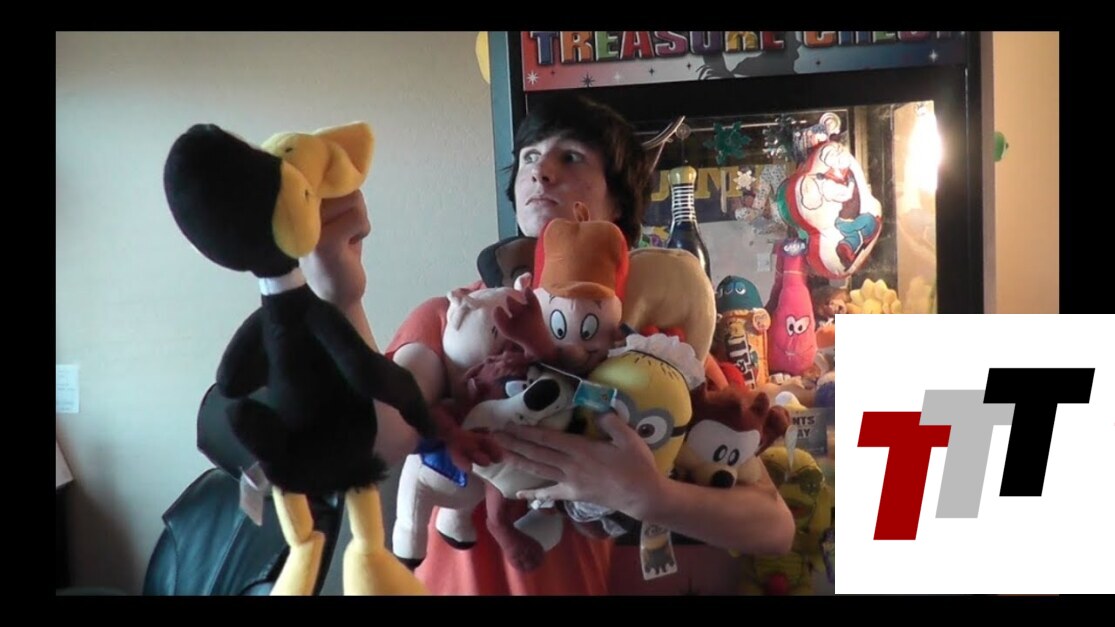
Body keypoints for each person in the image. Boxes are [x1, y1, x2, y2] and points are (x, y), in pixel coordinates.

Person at [364, 94, 794, 595]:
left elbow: (774, 528)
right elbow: (379, 442)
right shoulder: (453, 319)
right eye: (529, 157)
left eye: (571, 157)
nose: (540, 171)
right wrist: (342, 295)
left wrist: (649, 496)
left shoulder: (654, 349)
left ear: (617, 204)